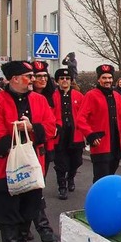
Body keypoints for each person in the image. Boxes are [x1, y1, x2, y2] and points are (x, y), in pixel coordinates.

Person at [0, 61, 56, 242]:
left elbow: (51, 127)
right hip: (4, 169)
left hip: (33, 168)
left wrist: (32, 127)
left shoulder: (39, 100)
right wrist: (16, 129)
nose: (33, 79)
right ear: (15, 78)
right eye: (28, 76)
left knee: (29, 210)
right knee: (7, 214)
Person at [76, 64, 121, 182]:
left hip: (115, 144)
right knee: (101, 178)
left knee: (111, 176)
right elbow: (80, 118)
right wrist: (90, 134)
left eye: (109, 78)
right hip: (100, 143)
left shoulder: (117, 96)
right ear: (98, 79)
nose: (107, 80)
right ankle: (99, 199)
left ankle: (108, 200)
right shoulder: (91, 95)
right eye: (104, 78)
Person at [29, 60, 59, 242]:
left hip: (46, 148)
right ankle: (43, 228)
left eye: (44, 77)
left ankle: (28, 227)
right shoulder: (26, 98)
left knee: (37, 187)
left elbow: (55, 122)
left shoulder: (51, 97)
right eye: (37, 76)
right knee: (33, 189)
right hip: (28, 149)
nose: (41, 80)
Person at [52, 68, 84, 200]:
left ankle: (70, 178)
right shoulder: (52, 96)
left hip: (75, 133)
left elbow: (84, 114)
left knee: (76, 161)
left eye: (67, 79)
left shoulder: (78, 96)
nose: (65, 81)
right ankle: (62, 186)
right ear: (57, 81)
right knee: (60, 162)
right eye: (62, 78)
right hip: (60, 135)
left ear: (71, 81)